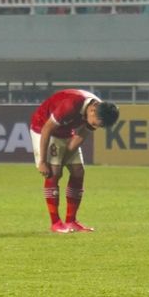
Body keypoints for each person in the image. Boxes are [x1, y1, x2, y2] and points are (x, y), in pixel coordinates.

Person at [30, 89, 119, 233]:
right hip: (43, 128)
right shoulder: (71, 105)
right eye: (98, 123)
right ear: (92, 111)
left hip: (65, 131)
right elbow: (47, 128)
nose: (97, 126)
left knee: (78, 171)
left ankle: (71, 221)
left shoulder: (99, 110)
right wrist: (42, 162)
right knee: (54, 173)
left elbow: (83, 132)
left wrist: (67, 153)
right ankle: (56, 223)